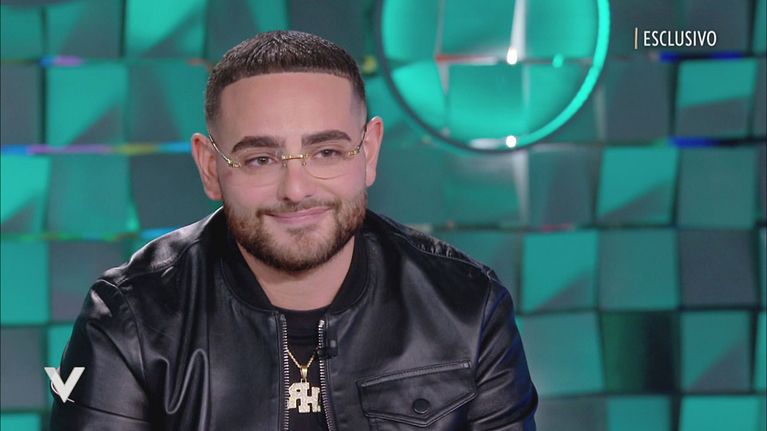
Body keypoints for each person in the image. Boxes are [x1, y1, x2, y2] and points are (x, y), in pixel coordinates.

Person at [50, 30, 537, 430]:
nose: (296, 189)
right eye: (260, 159)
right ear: (210, 167)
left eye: (326, 152)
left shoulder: (467, 306)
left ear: (368, 153)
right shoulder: (129, 317)